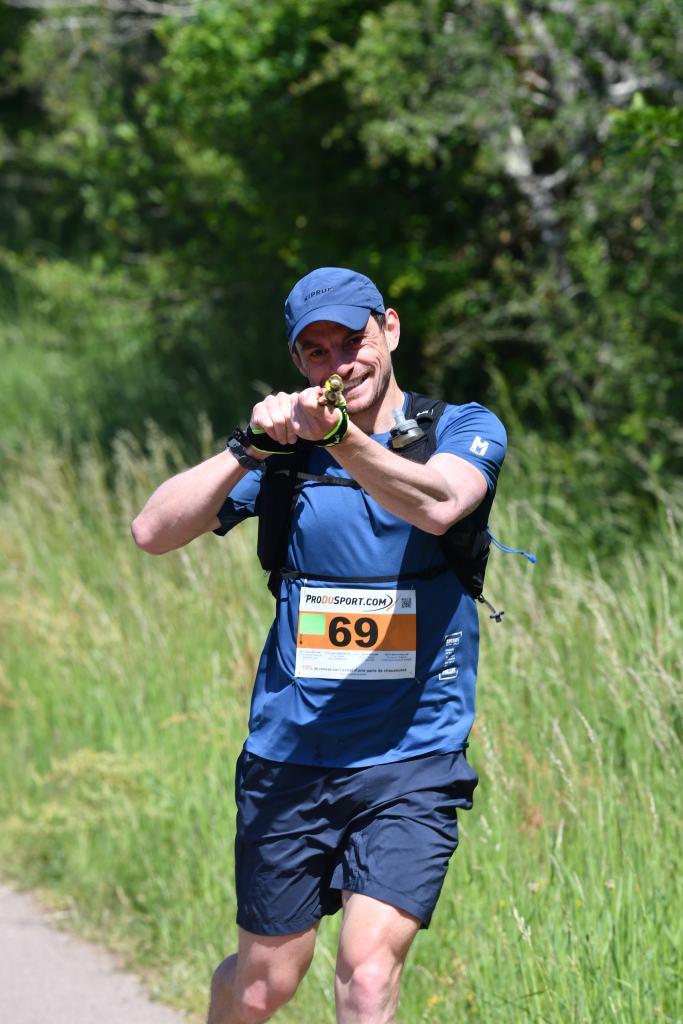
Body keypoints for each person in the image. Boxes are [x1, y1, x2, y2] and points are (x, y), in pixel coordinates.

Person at [131, 267, 507, 1024]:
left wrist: (340, 439)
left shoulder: (459, 428)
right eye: (315, 351)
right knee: (264, 986)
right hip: (291, 754)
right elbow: (152, 531)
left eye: (351, 341)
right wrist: (248, 447)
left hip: (413, 755)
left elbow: (440, 505)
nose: (339, 364)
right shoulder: (285, 455)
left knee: (366, 978)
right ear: (298, 361)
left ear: (388, 329)